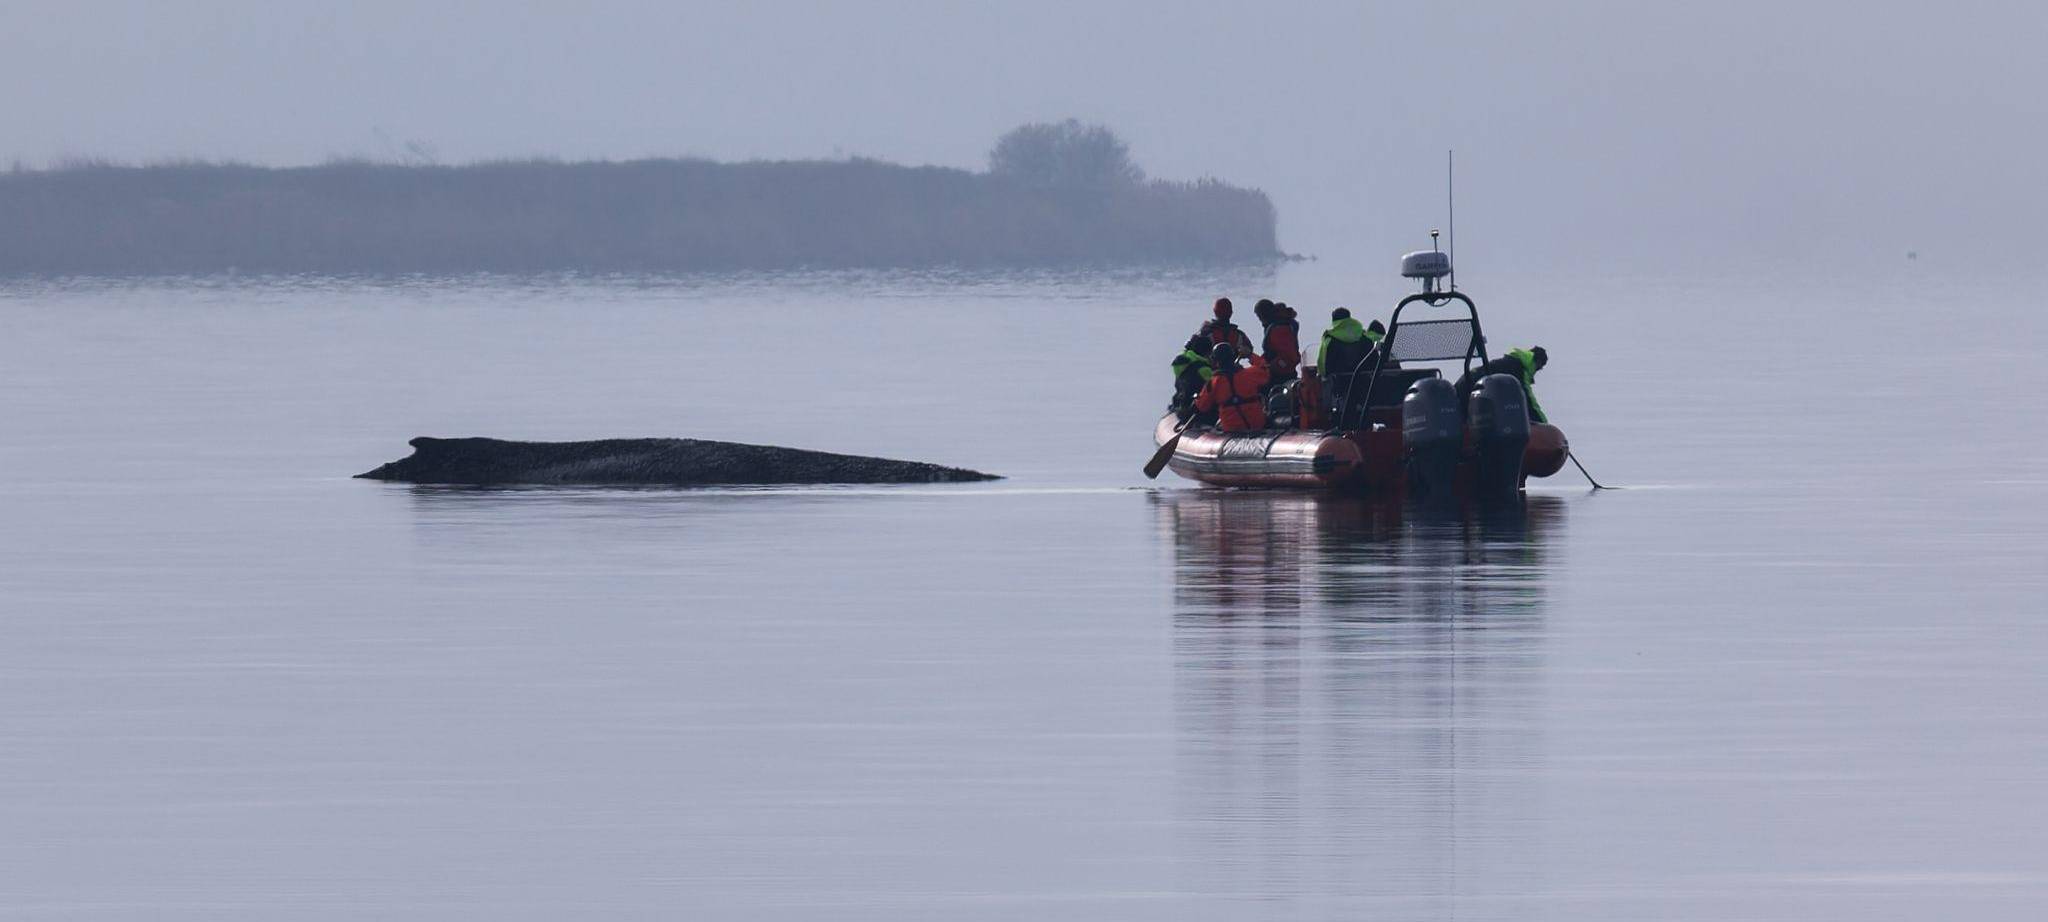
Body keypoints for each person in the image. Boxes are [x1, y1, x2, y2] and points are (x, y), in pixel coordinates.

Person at [1456, 345, 1550, 423]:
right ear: (1538, 363)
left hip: (1461, 390)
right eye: (1539, 368)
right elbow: (1530, 404)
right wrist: (1545, 426)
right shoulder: (1520, 370)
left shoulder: (1508, 363)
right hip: (1469, 396)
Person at [1193, 342, 1270, 432]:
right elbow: (1264, 369)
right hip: (1256, 423)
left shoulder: (1214, 382)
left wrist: (1197, 399)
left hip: (1232, 428)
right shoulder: (1250, 374)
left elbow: (1202, 406)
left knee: (1214, 426)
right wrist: (1250, 355)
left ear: (1216, 361)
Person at [1168, 333, 1215, 422]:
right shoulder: (1203, 369)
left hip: (1181, 405)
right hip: (1196, 411)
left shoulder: (1183, 363)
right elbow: (1217, 386)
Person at [1254, 299, 1301, 383]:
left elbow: (1287, 355)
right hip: (1282, 371)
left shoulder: (1279, 329)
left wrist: (1272, 366)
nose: (1260, 319)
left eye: (1260, 316)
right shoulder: (1277, 326)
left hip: (1281, 375)